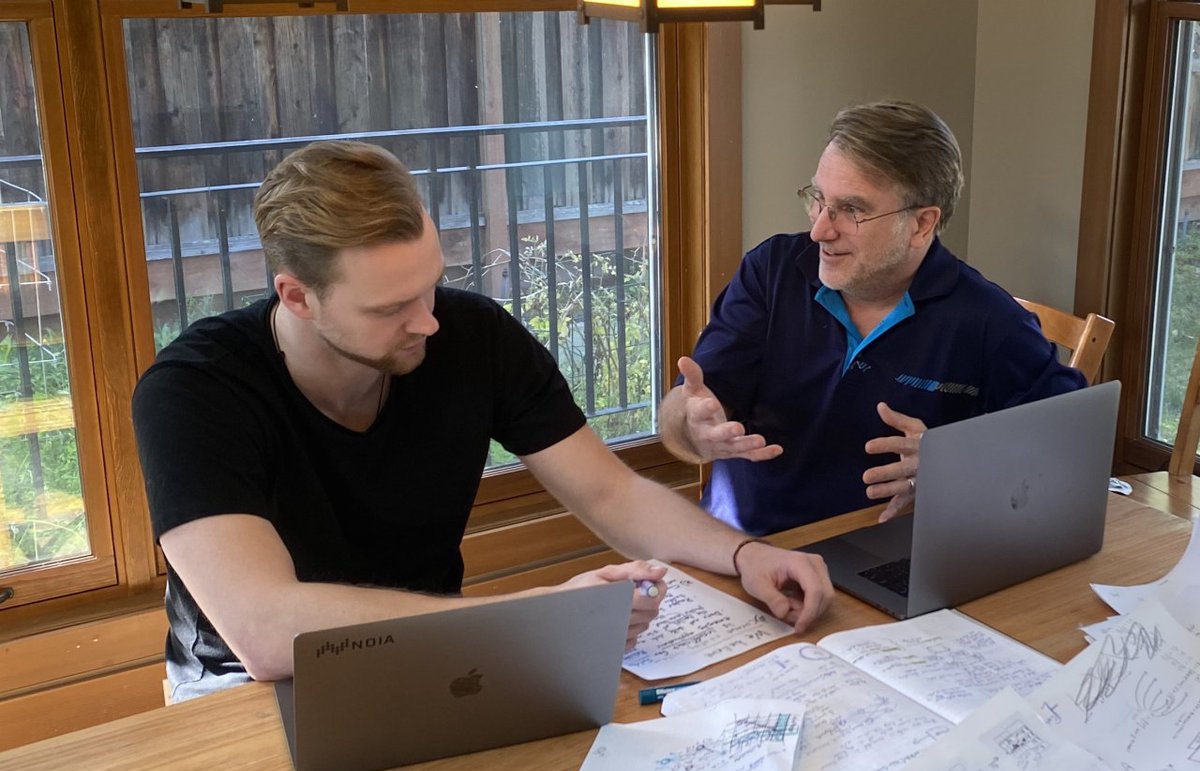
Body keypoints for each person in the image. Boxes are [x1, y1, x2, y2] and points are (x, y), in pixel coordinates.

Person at [132, 140, 834, 702]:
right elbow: (264, 630)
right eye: (390, 308)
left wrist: (744, 555)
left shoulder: (473, 335)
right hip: (244, 691)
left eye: (431, 285)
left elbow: (610, 492)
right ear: (297, 297)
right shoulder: (195, 390)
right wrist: (532, 617)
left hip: (443, 647)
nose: (428, 321)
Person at [659, 99, 1088, 536]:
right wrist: (689, 425)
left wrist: (959, 465)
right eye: (818, 199)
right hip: (740, 544)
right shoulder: (770, 271)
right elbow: (683, 412)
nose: (820, 230)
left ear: (922, 224)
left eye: (852, 210)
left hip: (886, 551)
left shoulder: (989, 321)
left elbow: (1074, 446)